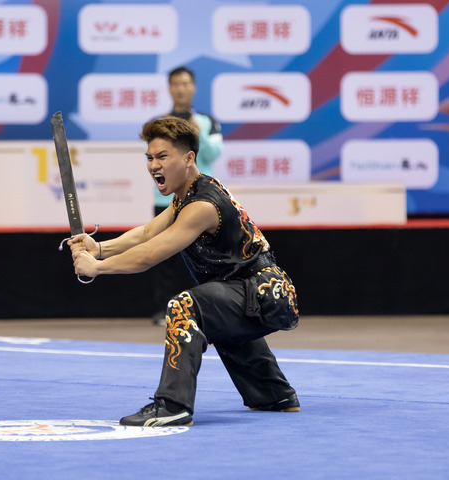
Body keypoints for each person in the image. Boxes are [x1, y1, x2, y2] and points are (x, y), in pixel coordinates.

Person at [68, 117, 300, 427]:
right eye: (150, 158)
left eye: (162, 157)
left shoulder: (202, 206)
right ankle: (274, 395)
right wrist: (98, 248)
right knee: (216, 311)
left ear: (189, 158)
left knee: (185, 307)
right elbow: (146, 233)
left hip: (264, 294)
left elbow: (150, 254)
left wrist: (97, 267)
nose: (153, 165)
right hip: (253, 294)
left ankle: (172, 405)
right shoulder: (186, 195)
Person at [150, 66, 223, 326]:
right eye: (176, 84)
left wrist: (197, 131)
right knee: (163, 256)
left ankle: (206, 309)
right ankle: (164, 309)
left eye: (185, 83)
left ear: (193, 87)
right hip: (166, 199)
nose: (181, 89)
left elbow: (213, 154)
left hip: (201, 199)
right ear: (169, 88)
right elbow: (156, 158)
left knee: (204, 256)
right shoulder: (159, 124)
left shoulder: (207, 121)